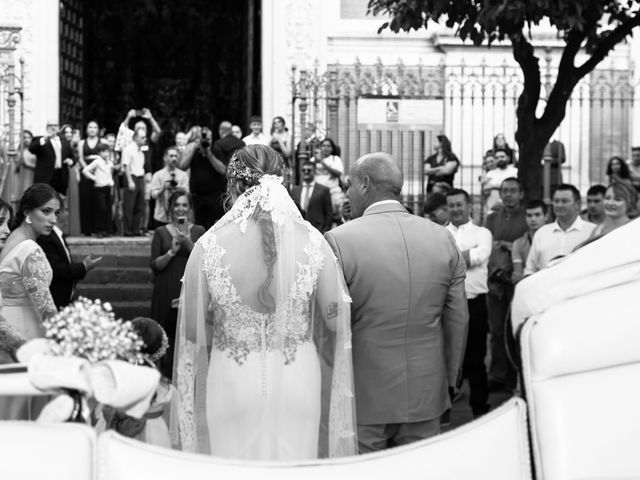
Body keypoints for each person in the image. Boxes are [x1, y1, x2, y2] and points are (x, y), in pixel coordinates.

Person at [173, 144, 356, 459]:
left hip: (233, 377)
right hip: (298, 376)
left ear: (234, 185)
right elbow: (335, 319)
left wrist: (228, 317)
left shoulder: (207, 246)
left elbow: (191, 329)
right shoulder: (314, 241)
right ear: (281, 182)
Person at [325, 152, 468, 453]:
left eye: (349, 184)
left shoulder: (339, 240)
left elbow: (329, 320)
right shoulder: (442, 238)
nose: (347, 192)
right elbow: (457, 318)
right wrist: (451, 380)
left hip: (362, 391)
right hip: (426, 390)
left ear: (365, 184)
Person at [445, 188, 492, 418]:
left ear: (468, 206)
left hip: (475, 304)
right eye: (451, 205)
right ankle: (444, 409)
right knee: (448, 357)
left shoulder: (483, 233)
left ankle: (480, 409)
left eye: (458, 204)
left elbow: (478, 257)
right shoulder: (440, 233)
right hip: (448, 306)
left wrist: (451, 257)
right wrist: (464, 255)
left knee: (476, 359)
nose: (455, 209)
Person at [97, 317, 176, 448]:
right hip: (155, 438)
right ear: (161, 351)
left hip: (113, 438)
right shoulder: (166, 390)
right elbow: (174, 426)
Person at [150, 190, 204, 379]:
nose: (180, 209)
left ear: (189, 209)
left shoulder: (199, 231)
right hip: (166, 287)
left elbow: (203, 260)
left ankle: (190, 375)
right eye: (176, 205)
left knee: (189, 334)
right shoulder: (160, 232)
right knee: (166, 335)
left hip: (190, 289)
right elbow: (154, 265)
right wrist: (171, 252)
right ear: (171, 208)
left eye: (184, 205)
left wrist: (187, 242)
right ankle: (164, 375)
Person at [483, 178, 527, 392]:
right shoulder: (491, 219)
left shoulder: (528, 216)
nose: (508, 195)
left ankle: (516, 374)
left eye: (513, 191)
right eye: (505, 191)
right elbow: (486, 246)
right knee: (497, 329)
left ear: (521, 194)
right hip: (496, 280)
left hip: (519, 280)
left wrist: (510, 246)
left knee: (516, 329)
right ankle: (497, 374)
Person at [37, 196, 102, 309]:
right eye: (66, 210)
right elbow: (56, 269)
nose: (67, 214)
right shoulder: (46, 237)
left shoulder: (58, 235)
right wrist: (84, 266)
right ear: (57, 213)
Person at [524, 184, 596, 275]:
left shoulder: (592, 231)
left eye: (564, 201)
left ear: (577, 204)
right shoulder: (542, 233)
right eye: (556, 201)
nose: (559, 205)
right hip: (546, 286)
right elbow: (530, 268)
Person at [179, 126, 229, 229]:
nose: (206, 142)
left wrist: (209, 154)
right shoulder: (194, 151)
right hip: (198, 197)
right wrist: (193, 150)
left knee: (216, 227)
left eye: (208, 140)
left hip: (214, 196)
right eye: (204, 140)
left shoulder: (216, 150)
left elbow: (223, 170)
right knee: (199, 227)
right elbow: (182, 167)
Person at [29, 120, 75, 196]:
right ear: (47, 128)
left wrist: (72, 161)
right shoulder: (39, 139)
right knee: (42, 200)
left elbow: (72, 157)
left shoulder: (65, 141)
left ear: (59, 128)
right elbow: (31, 149)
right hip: (45, 177)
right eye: (51, 125)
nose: (53, 127)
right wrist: (44, 139)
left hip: (61, 176)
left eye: (55, 125)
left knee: (59, 201)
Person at [150, 147, 189, 227]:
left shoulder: (183, 175)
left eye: (175, 156)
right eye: (171, 156)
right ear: (165, 158)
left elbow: (187, 192)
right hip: (161, 216)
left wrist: (177, 188)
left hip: (179, 215)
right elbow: (153, 195)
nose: (174, 158)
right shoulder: (158, 175)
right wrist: (163, 188)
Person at [82, 143, 115, 237]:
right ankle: (99, 230)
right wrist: (94, 178)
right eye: (104, 152)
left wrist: (111, 182)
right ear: (100, 153)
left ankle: (106, 230)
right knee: (101, 209)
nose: (106, 154)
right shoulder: (97, 161)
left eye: (107, 151)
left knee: (108, 209)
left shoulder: (110, 162)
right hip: (99, 187)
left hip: (108, 187)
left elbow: (109, 174)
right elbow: (85, 170)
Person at [290, 161, 333, 233]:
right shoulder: (295, 191)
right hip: (298, 232)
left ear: (315, 171)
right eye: (303, 170)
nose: (306, 172)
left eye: (309, 170)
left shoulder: (324, 190)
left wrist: (324, 232)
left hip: (318, 231)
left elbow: (329, 214)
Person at [512, 200, 547, 284]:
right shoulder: (518, 243)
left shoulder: (553, 238)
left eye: (537, 215)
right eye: (529, 215)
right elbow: (518, 276)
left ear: (546, 216)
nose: (533, 219)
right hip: (527, 287)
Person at [314, 137, 346, 222]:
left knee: (333, 216)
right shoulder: (314, 159)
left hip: (333, 193)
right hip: (318, 194)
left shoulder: (335, 159)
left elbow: (338, 173)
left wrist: (323, 163)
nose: (325, 148)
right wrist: (315, 161)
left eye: (328, 146)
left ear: (332, 149)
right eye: (323, 146)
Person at [121, 130, 147, 236]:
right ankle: (127, 230)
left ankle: (135, 229)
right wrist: (130, 181)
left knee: (140, 206)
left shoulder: (141, 152)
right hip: (131, 177)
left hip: (140, 178)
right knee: (129, 206)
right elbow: (125, 166)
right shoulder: (128, 149)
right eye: (142, 137)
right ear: (135, 138)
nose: (145, 139)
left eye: (145, 137)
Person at [15, 130, 37, 203]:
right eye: (24, 137)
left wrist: (26, 164)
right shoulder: (18, 151)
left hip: (32, 177)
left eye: (28, 137)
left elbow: (40, 167)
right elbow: (15, 169)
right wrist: (18, 164)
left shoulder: (35, 151)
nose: (26, 139)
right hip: (20, 178)